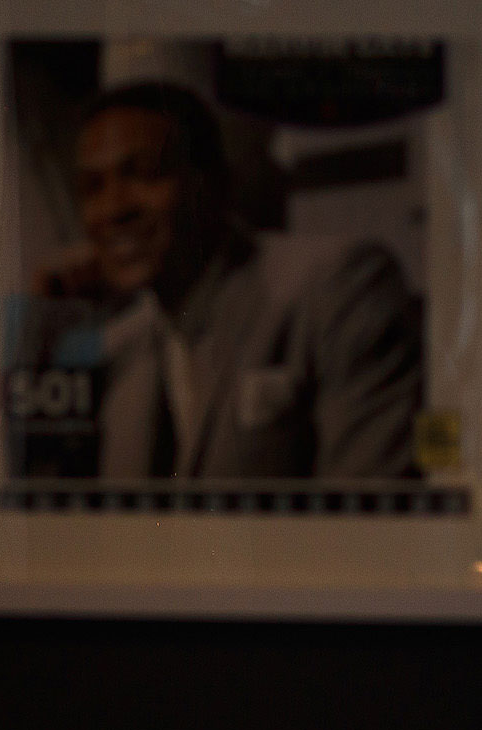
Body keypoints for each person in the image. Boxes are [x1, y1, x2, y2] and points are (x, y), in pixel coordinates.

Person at [27, 80, 423, 481]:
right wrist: (44, 324)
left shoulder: (340, 285)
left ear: (211, 183)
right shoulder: (118, 350)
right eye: (92, 188)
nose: (113, 209)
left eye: (144, 175)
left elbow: (370, 514)